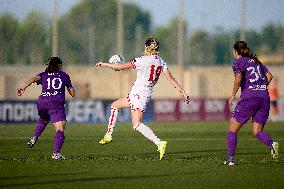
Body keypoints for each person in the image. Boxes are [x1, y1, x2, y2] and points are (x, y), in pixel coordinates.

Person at [95, 38, 190, 160]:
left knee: (137, 124)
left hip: (139, 94)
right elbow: (170, 78)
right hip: (140, 94)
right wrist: (183, 92)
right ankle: (108, 134)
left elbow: (121, 67)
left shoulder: (142, 60)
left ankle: (159, 143)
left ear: (146, 48)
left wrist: (104, 64)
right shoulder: (161, 62)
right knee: (114, 105)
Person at [225, 41, 279, 165]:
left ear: (235, 51)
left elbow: (238, 79)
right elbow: (270, 76)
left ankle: (230, 159)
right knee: (257, 131)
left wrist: (233, 94)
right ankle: (271, 144)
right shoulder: (256, 61)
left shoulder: (239, 62)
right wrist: (260, 87)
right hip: (264, 98)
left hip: (249, 98)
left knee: (233, 128)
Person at [17, 57, 75, 160]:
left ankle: (34, 138)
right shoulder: (64, 75)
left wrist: (23, 87)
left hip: (42, 102)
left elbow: (33, 79)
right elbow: (73, 93)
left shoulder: (44, 74)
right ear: (59, 66)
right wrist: (69, 87)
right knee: (60, 129)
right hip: (56, 103)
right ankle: (56, 153)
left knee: (44, 119)